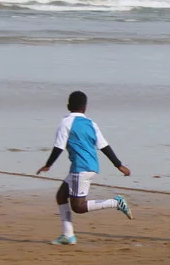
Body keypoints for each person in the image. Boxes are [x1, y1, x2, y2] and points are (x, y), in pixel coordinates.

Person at [36, 90, 132, 245]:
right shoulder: (91, 124)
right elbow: (104, 146)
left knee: (78, 207)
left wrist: (48, 165)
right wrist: (118, 165)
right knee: (61, 196)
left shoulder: (66, 123)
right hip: (91, 166)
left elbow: (58, 147)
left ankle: (115, 202)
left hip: (80, 169)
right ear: (85, 107)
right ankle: (68, 235)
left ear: (68, 106)